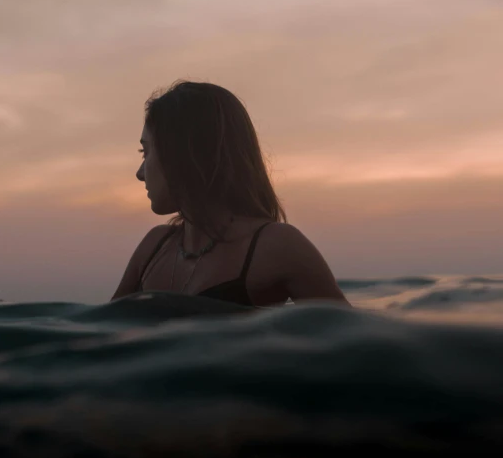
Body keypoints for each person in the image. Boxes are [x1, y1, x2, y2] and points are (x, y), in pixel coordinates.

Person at [111, 80, 349, 307]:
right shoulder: (154, 247)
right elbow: (103, 340)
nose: (140, 174)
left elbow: (352, 340)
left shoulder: (276, 246)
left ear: (184, 153)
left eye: (146, 152)